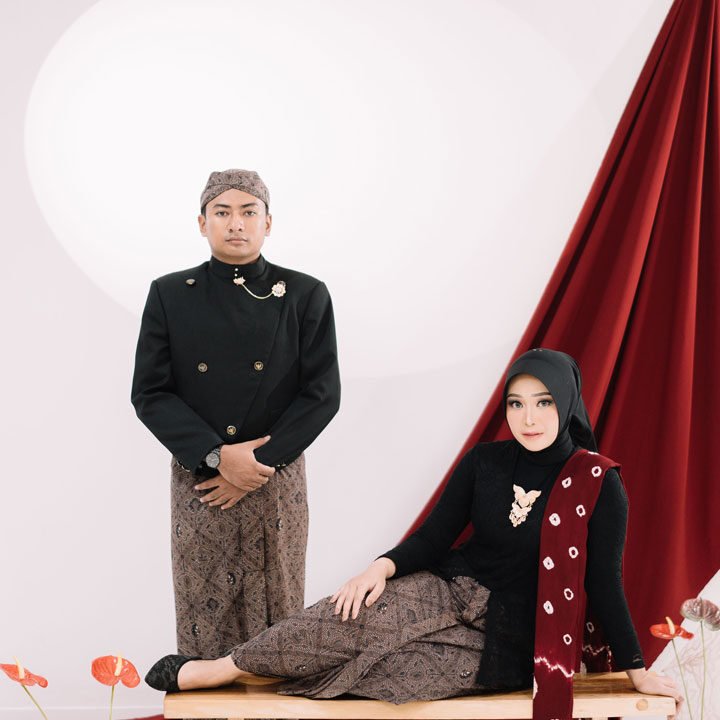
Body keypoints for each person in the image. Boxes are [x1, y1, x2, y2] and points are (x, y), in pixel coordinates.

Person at [144, 349, 680, 718]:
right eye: (516, 403)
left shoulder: (597, 483)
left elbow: (604, 584)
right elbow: (434, 538)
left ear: (566, 402)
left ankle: (263, 679)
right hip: (448, 588)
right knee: (341, 617)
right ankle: (220, 669)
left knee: (389, 675)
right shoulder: (485, 462)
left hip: (511, 635)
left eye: (543, 402)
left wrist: (636, 671)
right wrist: (378, 569)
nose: (529, 417)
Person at [131, 169, 341, 660]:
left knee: (279, 610)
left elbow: (322, 394)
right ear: (201, 223)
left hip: (276, 478)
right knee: (204, 615)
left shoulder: (306, 293)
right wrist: (216, 457)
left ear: (268, 223)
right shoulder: (170, 294)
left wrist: (256, 464)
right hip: (202, 482)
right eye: (222, 212)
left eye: (248, 212)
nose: (236, 223)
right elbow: (150, 393)